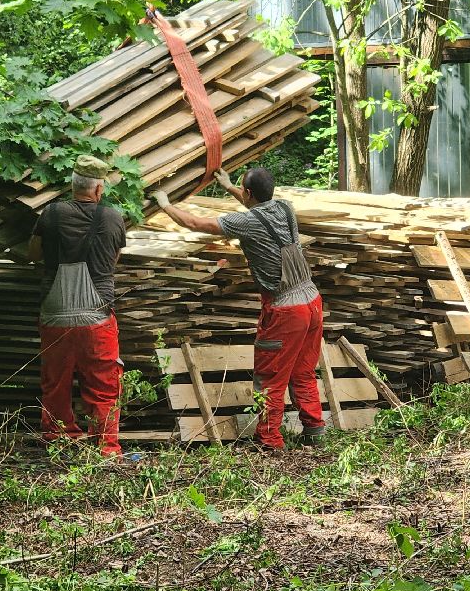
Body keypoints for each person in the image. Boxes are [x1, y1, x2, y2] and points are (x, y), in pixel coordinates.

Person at [153, 168, 326, 450]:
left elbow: (196, 223)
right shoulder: (285, 208)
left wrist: (164, 203)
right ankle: (315, 430)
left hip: (285, 309)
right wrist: (228, 186)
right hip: (312, 300)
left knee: (271, 377)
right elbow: (254, 205)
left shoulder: (247, 222)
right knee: (303, 370)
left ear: (248, 193)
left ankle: (269, 440)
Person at [27, 154, 128, 456]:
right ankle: (105, 447)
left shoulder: (51, 213)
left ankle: (59, 441)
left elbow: (33, 254)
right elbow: (113, 261)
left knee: (55, 383)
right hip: (97, 317)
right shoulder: (112, 217)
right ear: (98, 189)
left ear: (72, 186)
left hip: (54, 312)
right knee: (103, 385)